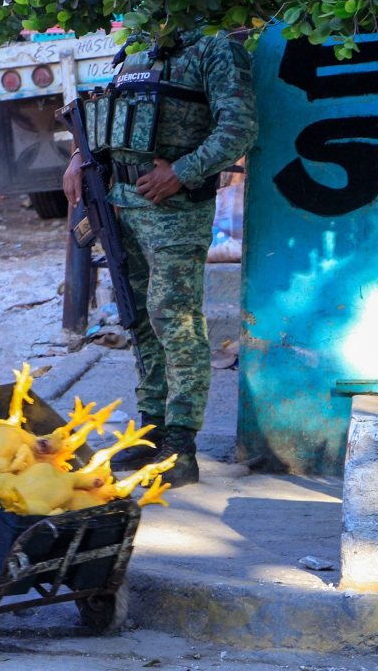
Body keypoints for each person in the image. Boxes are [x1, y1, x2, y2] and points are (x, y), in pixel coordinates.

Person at [62, 30, 257, 487]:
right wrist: (77, 155)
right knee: (139, 321)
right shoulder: (135, 49)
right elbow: (109, 121)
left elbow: (239, 127)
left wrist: (183, 172)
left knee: (176, 320)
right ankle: (151, 431)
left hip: (174, 210)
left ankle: (180, 446)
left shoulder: (214, 48)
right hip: (119, 206)